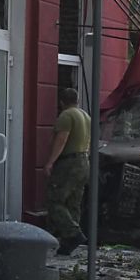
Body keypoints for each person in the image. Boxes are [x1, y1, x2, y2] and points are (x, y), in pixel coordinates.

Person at [45, 88, 91, 255]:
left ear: (62, 102)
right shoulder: (85, 116)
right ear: (77, 100)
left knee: (55, 201)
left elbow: (62, 139)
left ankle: (73, 234)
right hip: (84, 161)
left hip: (69, 163)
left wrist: (51, 162)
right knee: (74, 202)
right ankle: (68, 243)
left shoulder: (66, 116)